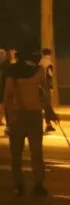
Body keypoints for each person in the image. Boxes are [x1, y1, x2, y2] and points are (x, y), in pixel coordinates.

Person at [5, 47, 55, 197]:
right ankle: (38, 184)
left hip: (17, 115)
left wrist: (9, 119)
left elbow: (7, 97)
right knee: (36, 152)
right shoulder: (39, 71)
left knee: (16, 154)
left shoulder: (12, 73)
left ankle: (19, 185)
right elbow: (45, 95)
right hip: (34, 115)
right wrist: (49, 113)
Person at [39, 48, 56, 133]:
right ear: (49, 54)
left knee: (40, 106)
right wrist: (51, 88)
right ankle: (48, 124)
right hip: (46, 87)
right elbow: (49, 76)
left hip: (38, 87)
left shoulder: (40, 62)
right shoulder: (49, 64)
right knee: (47, 106)